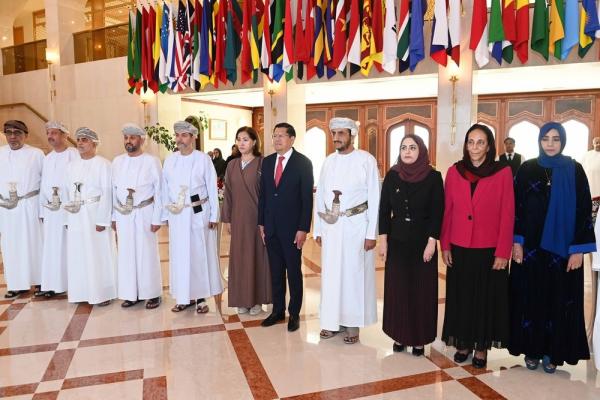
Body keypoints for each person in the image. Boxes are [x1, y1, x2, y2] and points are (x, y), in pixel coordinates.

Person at [510, 122, 596, 373]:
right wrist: (516, 242)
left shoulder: (574, 169)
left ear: (563, 142)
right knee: (531, 299)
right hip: (531, 249)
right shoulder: (527, 169)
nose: (550, 143)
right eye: (545, 138)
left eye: (555, 139)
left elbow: (583, 210)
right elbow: (516, 207)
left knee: (558, 300)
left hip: (562, 251)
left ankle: (553, 351)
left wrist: (578, 249)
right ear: (539, 141)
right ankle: (532, 349)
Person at [440, 123, 514, 369]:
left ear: (489, 146)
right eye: (471, 142)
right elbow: (447, 211)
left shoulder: (502, 172)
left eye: (480, 142)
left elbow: (508, 213)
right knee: (461, 297)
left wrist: (503, 251)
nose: (475, 147)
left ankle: (481, 347)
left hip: (489, 248)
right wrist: (445, 245)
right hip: (459, 245)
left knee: (485, 299)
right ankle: (463, 343)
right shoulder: (455, 171)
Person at [313, 118, 379, 344]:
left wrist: (371, 233)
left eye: (341, 133)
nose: (336, 138)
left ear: (352, 135)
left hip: (356, 226)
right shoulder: (328, 161)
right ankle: (332, 322)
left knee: (352, 276)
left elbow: (375, 198)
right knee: (332, 276)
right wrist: (318, 229)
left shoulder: (366, 160)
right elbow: (320, 196)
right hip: (331, 227)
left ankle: (352, 324)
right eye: (334, 133)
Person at [379, 134, 444, 356]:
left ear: (421, 150)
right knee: (398, 290)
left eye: (412, 147)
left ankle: (419, 339)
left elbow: (437, 212)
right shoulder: (392, 175)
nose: (407, 151)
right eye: (403, 147)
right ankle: (399, 335)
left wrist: (432, 242)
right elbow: (384, 210)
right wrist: (383, 241)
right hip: (397, 242)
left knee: (421, 291)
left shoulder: (433, 177)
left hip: (423, 243)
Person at [162, 121, 222, 313]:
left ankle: (201, 298)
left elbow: (212, 188)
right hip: (177, 215)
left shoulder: (203, 159)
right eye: (177, 135)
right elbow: (164, 189)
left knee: (198, 255)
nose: (179, 139)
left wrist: (213, 215)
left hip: (198, 212)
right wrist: (165, 215)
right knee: (180, 256)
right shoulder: (170, 160)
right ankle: (183, 297)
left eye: (184, 135)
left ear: (193, 137)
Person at [258, 122, 313, 332]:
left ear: (291, 139)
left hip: (292, 229)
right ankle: (277, 311)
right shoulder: (267, 162)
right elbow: (264, 195)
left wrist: (303, 228)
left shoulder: (303, 163)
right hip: (271, 227)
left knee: (293, 272)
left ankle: (294, 313)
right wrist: (261, 223)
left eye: (281, 135)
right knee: (275, 271)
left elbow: (306, 199)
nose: (277, 139)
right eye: (274, 136)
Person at [112, 123, 163, 309]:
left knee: (146, 253)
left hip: (145, 212)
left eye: (132, 138)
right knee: (126, 254)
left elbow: (160, 191)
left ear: (141, 140)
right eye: (126, 138)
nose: (128, 141)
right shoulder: (117, 161)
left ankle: (152, 293)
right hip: (123, 214)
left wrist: (157, 218)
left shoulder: (152, 161)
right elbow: (113, 191)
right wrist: (113, 217)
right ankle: (131, 294)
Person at [221, 127, 271, 316]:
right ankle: (242, 300)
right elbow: (228, 194)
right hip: (238, 219)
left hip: (257, 220)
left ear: (254, 142)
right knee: (239, 259)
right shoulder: (232, 165)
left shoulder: (262, 163)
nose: (241, 143)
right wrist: (227, 219)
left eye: (245, 140)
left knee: (257, 258)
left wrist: (266, 220)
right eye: (238, 139)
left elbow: (268, 194)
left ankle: (257, 300)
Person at [64, 127, 116, 306]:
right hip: (76, 215)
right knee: (78, 253)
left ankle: (102, 293)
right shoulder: (71, 166)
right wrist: (67, 218)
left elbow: (107, 193)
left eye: (84, 140)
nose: (80, 143)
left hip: (95, 214)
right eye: (78, 139)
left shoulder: (104, 164)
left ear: (94, 143)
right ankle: (81, 292)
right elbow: (66, 193)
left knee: (98, 254)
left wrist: (103, 219)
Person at [0, 120, 44, 298]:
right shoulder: (0, 153)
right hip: (7, 209)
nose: (12, 137)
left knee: (34, 243)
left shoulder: (36, 154)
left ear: (26, 135)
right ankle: (17, 284)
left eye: (17, 133)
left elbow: (45, 182)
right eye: (8, 133)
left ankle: (41, 281)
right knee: (11, 245)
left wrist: (42, 209)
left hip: (29, 205)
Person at [38, 121, 79, 298]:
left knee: (69, 247)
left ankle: (73, 284)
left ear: (65, 135)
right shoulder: (47, 158)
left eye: (54, 133)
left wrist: (72, 210)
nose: (50, 136)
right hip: (51, 210)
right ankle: (53, 285)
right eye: (48, 133)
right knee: (52, 248)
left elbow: (78, 183)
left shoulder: (75, 154)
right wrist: (42, 211)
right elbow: (43, 185)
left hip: (68, 208)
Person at [580, 137, 600, 221]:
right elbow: (580, 170)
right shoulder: (587, 155)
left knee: (596, 219)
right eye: (596, 142)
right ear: (593, 144)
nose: (598, 144)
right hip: (588, 192)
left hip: (598, 193)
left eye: (599, 142)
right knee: (588, 217)